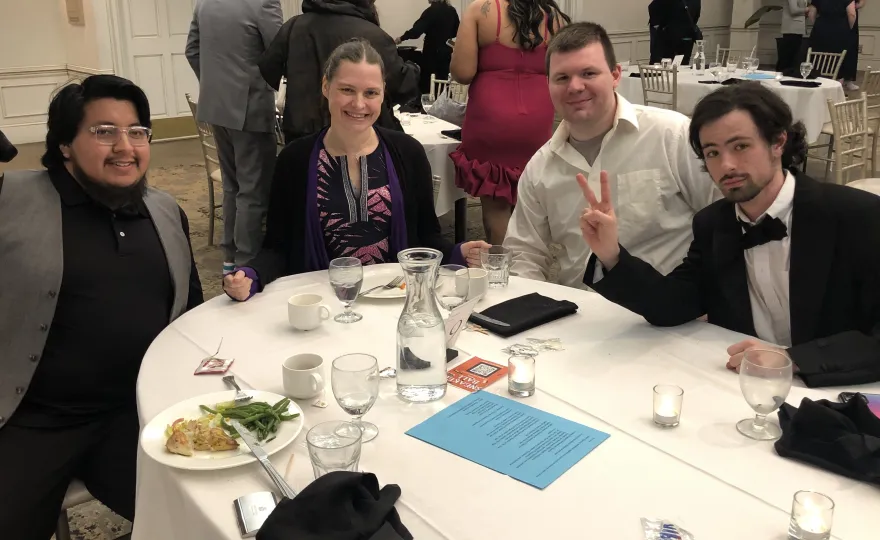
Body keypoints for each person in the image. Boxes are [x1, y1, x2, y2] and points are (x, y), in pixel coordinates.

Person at [0, 75, 203, 538]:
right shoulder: (11, 202)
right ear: (65, 145)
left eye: (137, 132)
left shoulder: (165, 211)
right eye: (103, 131)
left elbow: (190, 311)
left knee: (202, 514)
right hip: (36, 418)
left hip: (139, 411)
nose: (125, 147)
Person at [579, 82, 880, 387]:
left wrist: (794, 358)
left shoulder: (858, 216)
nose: (727, 165)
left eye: (740, 146)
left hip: (841, 392)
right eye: (712, 153)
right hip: (738, 386)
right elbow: (671, 305)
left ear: (778, 143)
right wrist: (611, 255)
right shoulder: (713, 224)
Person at [224, 40, 489, 300]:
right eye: (347, 90)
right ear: (326, 87)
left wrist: (459, 252)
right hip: (322, 304)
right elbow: (277, 247)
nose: (359, 104)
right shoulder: (295, 159)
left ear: (383, 92)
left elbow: (426, 238)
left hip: (395, 300)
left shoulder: (408, 153)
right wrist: (251, 274)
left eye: (370, 93)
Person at [503, 22, 717, 289]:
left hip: (671, 315)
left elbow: (723, 220)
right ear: (548, 84)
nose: (575, 87)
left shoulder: (670, 136)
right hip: (581, 315)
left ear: (616, 75)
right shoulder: (539, 168)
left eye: (588, 73)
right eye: (562, 78)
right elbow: (524, 253)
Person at [449, 0, 570, 244]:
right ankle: (526, 267)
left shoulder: (480, 10)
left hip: (490, 120)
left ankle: (500, 271)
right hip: (537, 119)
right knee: (529, 204)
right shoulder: (555, 18)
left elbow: (462, 73)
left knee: (495, 209)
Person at [186, 0, 283, 275]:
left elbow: (192, 50)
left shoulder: (204, 3)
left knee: (232, 186)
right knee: (252, 191)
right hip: (250, 108)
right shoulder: (263, 3)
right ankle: (246, 263)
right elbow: (280, 54)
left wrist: (216, 83)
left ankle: (230, 257)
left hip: (216, 106)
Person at [258, 0, 420, 143]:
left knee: (303, 175)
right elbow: (402, 86)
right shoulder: (374, 35)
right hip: (359, 131)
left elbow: (268, 68)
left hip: (301, 127)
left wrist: (295, 83)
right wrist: (414, 68)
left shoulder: (294, 27)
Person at [395, 0, 460, 94]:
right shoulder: (452, 11)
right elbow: (456, 31)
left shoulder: (430, 11)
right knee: (444, 82)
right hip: (446, 52)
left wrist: (401, 38)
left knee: (428, 83)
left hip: (432, 53)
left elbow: (416, 31)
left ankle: (427, 105)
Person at [807, 0, 858, 89]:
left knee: (818, 57)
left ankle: (818, 80)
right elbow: (852, 14)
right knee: (839, 57)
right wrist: (848, 28)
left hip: (821, 29)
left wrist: (818, 25)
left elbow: (811, 13)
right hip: (840, 29)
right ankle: (837, 83)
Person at [648, 0, 701, 65]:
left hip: (668, 38)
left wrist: (657, 26)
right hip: (687, 38)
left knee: (662, 68)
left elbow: (652, 8)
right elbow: (696, 16)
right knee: (682, 66)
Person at [777, 0, 807, 73]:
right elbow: (793, 10)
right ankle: (782, 74)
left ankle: (790, 75)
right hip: (791, 29)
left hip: (798, 29)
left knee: (795, 57)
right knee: (788, 56)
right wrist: (807, 10)